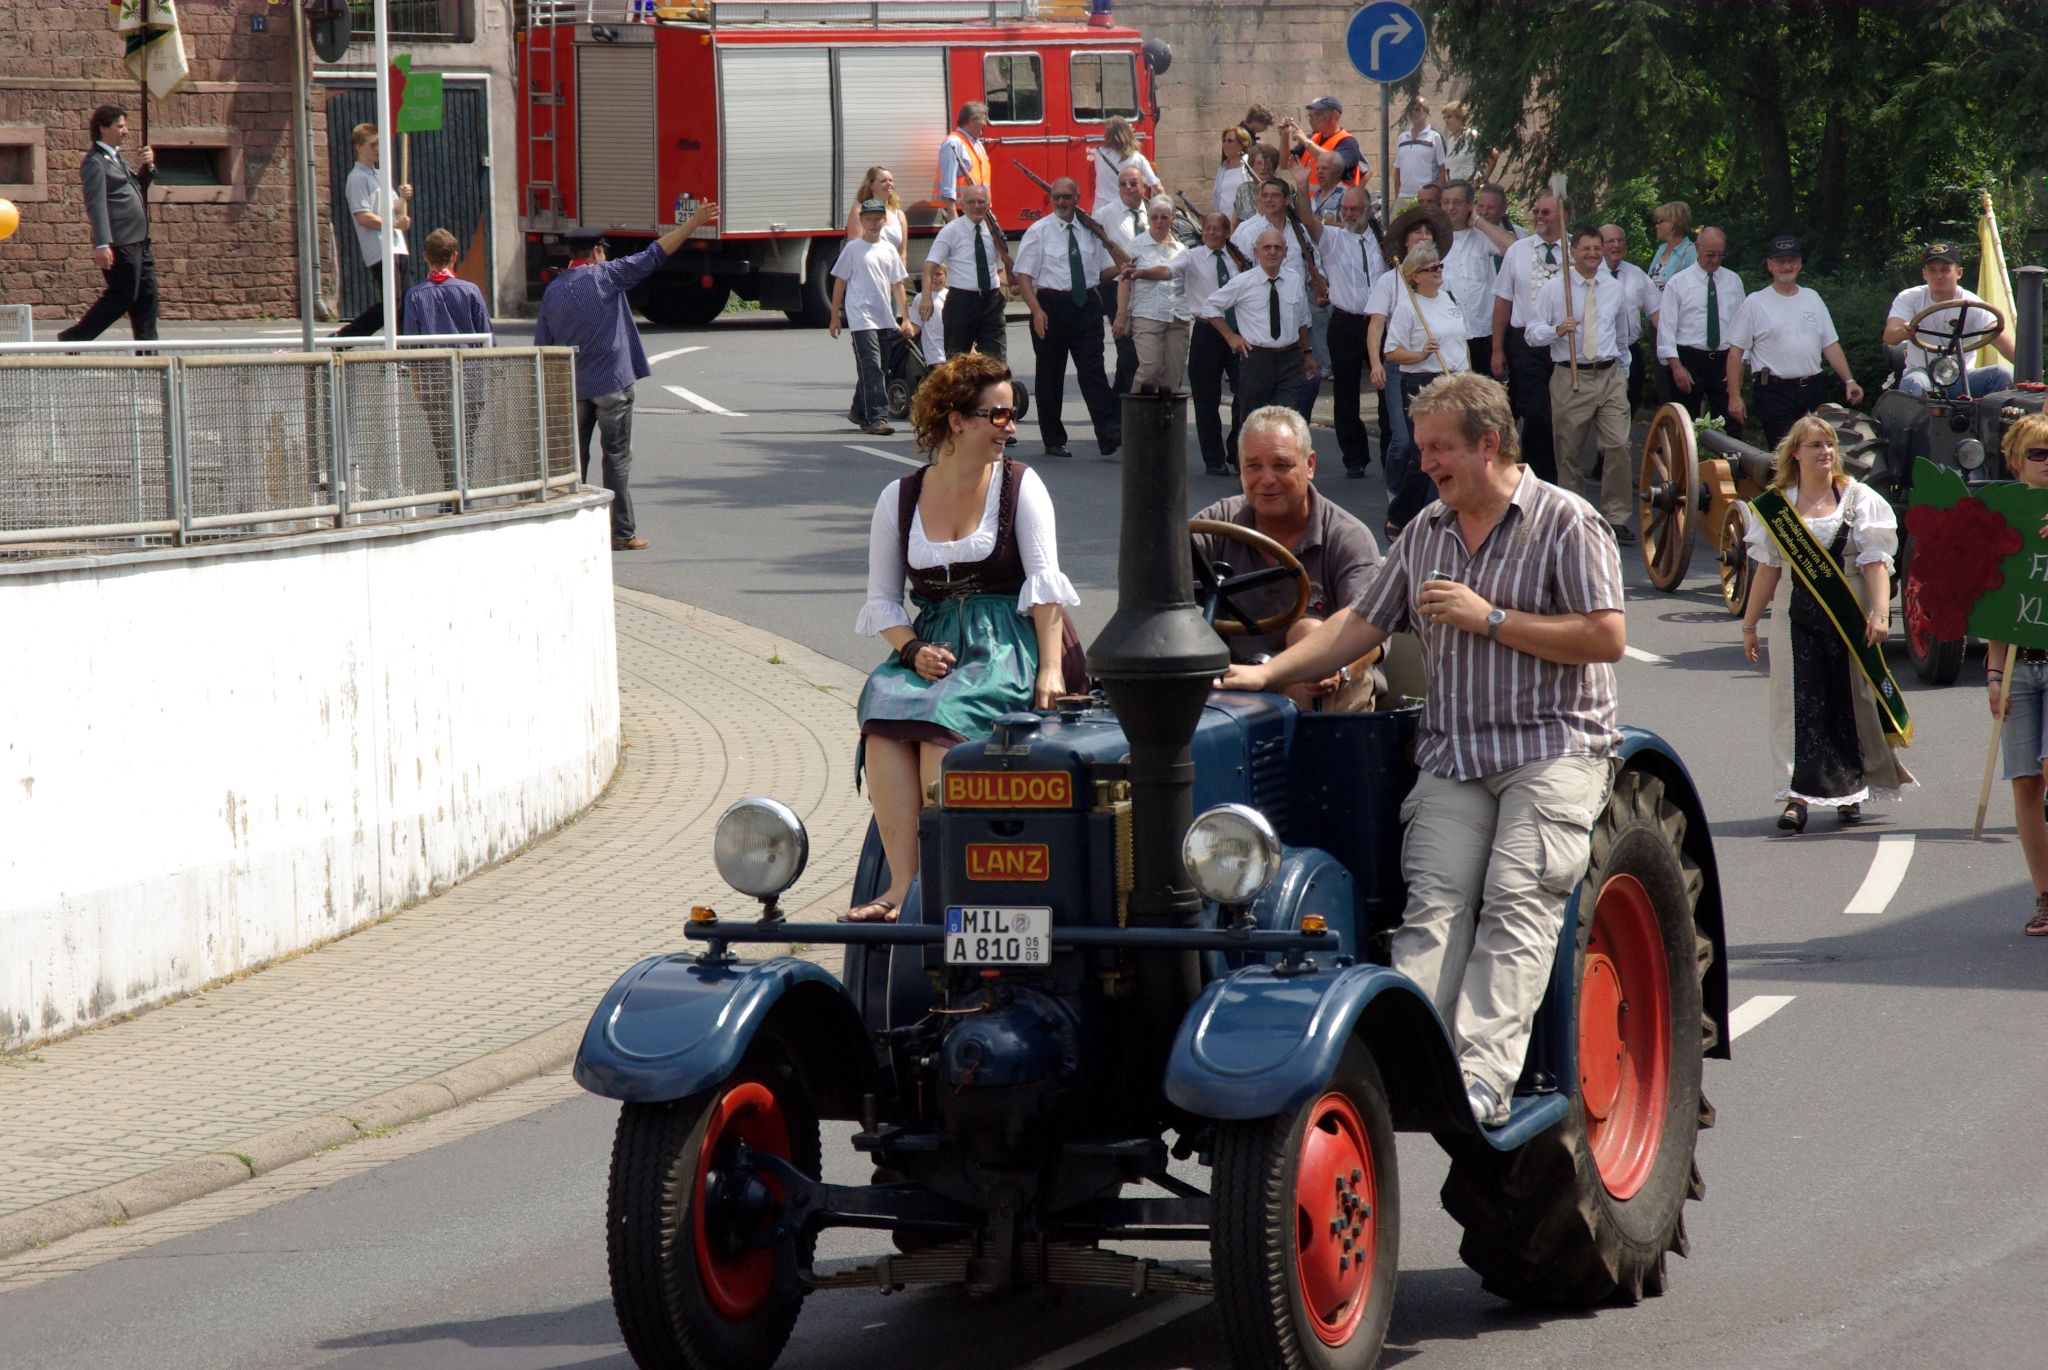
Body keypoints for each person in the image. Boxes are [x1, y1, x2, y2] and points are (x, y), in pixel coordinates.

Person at [1220, 371, 1624, 1127]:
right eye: (1424, 449)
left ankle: (1479, 1080)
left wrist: (1491, 618)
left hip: (1553, 749)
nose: (1425, 463)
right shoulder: (1427, 533)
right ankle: (1406, 1075)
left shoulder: (1567, 522)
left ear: (1488, 444)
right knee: (1431, 907)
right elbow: (1360, 624)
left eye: (1439, 449)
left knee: (1515, 900)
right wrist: (1267, 673)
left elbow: (1607, 636)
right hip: (1455, 754)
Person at [850, 353, 1081, 922]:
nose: (1011, 427)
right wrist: (911, 650)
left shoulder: (1022, 485)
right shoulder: (898, 498)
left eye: (1012, 414)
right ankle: (902, 886)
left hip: (1010, 640)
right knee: (880, 714)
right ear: (956, 420)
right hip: (932, 644)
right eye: (998, 415)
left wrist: (1051, 670)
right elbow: (882, 603)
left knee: (940, 725)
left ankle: (939, 883)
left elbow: (1045, 587)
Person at [1738, 415, 1913, 833]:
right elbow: (1767, 569)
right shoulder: (1777, 506)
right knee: (1795, 702)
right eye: (1816, 445)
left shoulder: (1858, 499)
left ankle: (1851, 790)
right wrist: (1748, 625)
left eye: (1830, 444)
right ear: (1795, 452)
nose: (1826, 452)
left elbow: (1875, 561)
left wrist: (1879, 611)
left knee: (1850, 699)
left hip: (1846, 611)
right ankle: (1796, 795)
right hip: (1792, 615)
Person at [532, 202, 720, 552]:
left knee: (574, 460)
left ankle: (566, 527)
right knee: (615, 456)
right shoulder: (608, 275)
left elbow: (543, 345)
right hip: (612, 384)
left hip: (574, 387)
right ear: (597, 251)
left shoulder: (554, 291)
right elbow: (654, 254)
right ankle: (621, 533)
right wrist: (693, 222)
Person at [1193, 405, 1382, 710]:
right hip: (1237, 677)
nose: (1267, 479)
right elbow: (1160, 576)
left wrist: (1341, 671)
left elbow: (1370, 631)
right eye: (1253, 466)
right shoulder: (1217, 524)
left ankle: (1304, 753)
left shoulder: (1347, 537)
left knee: (1309, 632)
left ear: (1309, 465)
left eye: (1281, 465)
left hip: (1321, 686)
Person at [1526, 226, 1639, 543]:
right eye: (1585, 249)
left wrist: (1624, 373)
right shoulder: (1554, 289)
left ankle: (1616, 517)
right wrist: (1557, 330)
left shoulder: (1614, 288)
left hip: (1609, 374)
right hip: (1570, 374)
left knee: (1618, 444)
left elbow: (1623, 335)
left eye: (1596, 249)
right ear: (1572, 252)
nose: (1592, 254)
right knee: (1569, 453)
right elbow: (1531, 332)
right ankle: (1572, 516)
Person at [1012, 176, 1132, 458]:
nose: (1062, 202)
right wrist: (1036, 310)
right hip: (1051, 305)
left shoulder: (1090, 231)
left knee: (1093, 370)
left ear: (1077, 198)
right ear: (1051, 199)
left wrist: (1121, 262)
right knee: (1050, 374)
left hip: (1087, 304)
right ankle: (1053, 439)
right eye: (1057, 197)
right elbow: (1024, 276)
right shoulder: (1039, 231)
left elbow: (1100, 272)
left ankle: (1107, 432)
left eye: (1067, 197)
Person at [1984, 414, 2048, 934]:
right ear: (2015, 461)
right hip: (2018, 667)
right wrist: (1992, 672)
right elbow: (1999, 603)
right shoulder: (2002, 516)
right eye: (2040, 455)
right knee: (2025, 783)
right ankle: (2045, 898)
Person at [1726, 236, 1864, 449]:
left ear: (1799, 264)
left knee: (1818, 450)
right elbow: (1735, 352)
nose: (1786, 266)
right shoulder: (1755, 302)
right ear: (1770, 265)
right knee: (1787, 454)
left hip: (1812, 389)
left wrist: (1849, 380)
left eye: (1791, 260)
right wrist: (1734, 397)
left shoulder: (1813, 297)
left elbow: (1830, 344)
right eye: (1780, 261)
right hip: (1774, 391)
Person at [1368, 206, 1455, 534]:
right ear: (1405, 243)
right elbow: (1377, 327)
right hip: (1402, 368)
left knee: (1437, 446)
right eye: (1416, 233)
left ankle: (1434, 507)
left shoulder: (1446, 290)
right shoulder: (1390, 282)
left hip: (1441, 375)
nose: (1422, 237)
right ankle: (1397, 491)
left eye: (1427, 233)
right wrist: (1376, 363)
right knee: (1404, 441)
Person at [1299, 182, 1388, 479]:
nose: (1349, 214)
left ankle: (1391, 455)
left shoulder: (1384, 239)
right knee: (1345, 391)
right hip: (1347, 322)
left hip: (1381, 321)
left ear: (1368, 211)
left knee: (1387, 390)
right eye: (1345, 209)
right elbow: (1307, 221)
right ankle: (1355, 457)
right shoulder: (1334, 239)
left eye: (1354, 209)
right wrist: (1301, 184)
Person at [1381, 244, 1470, 531]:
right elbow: (1392, 352)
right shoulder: (1409, 307)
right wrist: (1420, 354)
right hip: (1423, 382)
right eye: (1432, 268)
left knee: (1453, 450)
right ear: (1415, 276)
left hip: (1454, 380)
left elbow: (1461, 342)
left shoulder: (1449, 298)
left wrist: (1468, 378)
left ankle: (1443, 511)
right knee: (1425, 456)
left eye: (1440, 266)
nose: (1438, 271)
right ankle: (1402, 514)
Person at [400, 228, 492, 497]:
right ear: (455, 256)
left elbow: (411, 346)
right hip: (471, 380)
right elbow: (486, 337)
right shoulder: (470, 291)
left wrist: (417, 383)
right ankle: (463, 490)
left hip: (434, 382)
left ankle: (451, 489)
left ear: (425, 257)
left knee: (442, 439)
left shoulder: (415, 295)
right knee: (466, 439)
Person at [58, 104, 158, 344]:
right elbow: (96, 203)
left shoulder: (115, 158)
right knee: (123, 295)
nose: (125, 131)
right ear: (103, 128)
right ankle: (75, 337)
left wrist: (149, 167)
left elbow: (137, 186)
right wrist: (102, 242)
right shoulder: (95, 162)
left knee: (147, 295)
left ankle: (149, 352)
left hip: (139, 238)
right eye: (120, 126)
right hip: (120, 240)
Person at [1200, 227, 1318, 418]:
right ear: (1257, 252)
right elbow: (1210, 307)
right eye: (1267, 248)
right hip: (1257, 360)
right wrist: (1231, 337)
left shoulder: (1294, 280)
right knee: (1253, 420)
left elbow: (1302, 320)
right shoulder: (1243, 282)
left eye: (1278, 248)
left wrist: (1307, 354)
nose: (1272, 252)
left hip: (1290, 358)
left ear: (1285, 252)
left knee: (1287, 420)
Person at [1490, 190, 1564, 481]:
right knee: (1535, 410)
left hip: (1561, 342)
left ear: (1563, 216)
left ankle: (1557, 476)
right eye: (1536, 211)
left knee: (1559, 413)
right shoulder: (1517, 251)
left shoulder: (1575, 251)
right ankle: (1536, 476)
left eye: (1546, 212)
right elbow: (1502, 301)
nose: (1538, 217)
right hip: (1524, 342)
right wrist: (1498, 349)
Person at [1169, 213, 1252, 476]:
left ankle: (1235, 449)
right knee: (1206, 399)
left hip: (1238, 330)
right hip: (1206, 333)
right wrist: (1148, 272)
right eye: (1207, 229)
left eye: (1217, 229)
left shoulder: (1239, 258)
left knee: (1245, 394)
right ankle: (1213, 458)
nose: (1211, 233)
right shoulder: (1191, 256)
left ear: (1228, 233)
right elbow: (1170, 268)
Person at [1884, 241, 2016, 398]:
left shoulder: (1973, 304)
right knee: (1915, 382)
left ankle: (1992, 422)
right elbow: (1889, 337)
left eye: (1945, 270)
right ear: (1924, 274)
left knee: (2002, 374)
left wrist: (2030, 368)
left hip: (1961, 377)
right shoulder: (1909, 298)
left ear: (1959, 273)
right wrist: (1903, 331)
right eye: (1932, 270)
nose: (1938, 276)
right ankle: (1925, 422)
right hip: (1922, 373)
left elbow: (2000, 339)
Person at [831, 198, 912, 437]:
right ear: (862, 221)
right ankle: (877, 417)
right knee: (872, 366)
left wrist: (905, 319)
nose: (873, 223)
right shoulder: (853, 248)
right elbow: (840, 282)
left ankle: (858, 411)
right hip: (860, 317)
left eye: (878, 218)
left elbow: (897, 284)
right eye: (869, 219)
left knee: (879, 368)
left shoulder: (888, 249)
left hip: (884, 317)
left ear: (884, 221)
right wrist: (835, 316)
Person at [335, 123, 414, 338]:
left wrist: (403, 197)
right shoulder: (357, 178)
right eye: (373, 144)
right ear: (359, 147)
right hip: (380, 248)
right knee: (392, 303)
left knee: (404, 302)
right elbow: (363, 217)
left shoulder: (379, 174)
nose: (378, 149)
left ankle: (402, 349)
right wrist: (393, 224)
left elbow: (393, 208)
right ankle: (345, 337)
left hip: (397, 246)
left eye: (379, 144)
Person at [1656, 226, 1740, 422]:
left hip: (1724, 360)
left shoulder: (1733, 281)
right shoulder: (1678, 283)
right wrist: (1676, 367)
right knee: (1685, 424)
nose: (1715, 260)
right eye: (1710, 254)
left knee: (1729, 423)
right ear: (1697, 248)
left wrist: (1738, 367)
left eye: (1720, 255)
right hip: (1689, 358)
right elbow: (1666, 331)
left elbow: (1741, 327)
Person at [923, 182, 1011, 360]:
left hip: (991, 302)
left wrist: (1006, 289)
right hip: (961, 302)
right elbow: (930, 266)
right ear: (962, 206)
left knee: (996, 361)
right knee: (957, 363)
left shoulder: (994, 230)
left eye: (981, 202)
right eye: (971, 202)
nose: (976, 206)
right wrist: (926, 298)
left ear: (988, 204)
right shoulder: (951, 231)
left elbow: (1001, 266)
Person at [1114, 197, 1190, 393]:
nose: (1159, 222)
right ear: (1148, 218)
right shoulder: (1135, 246)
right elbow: (1124, 281)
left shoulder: (1182, 249)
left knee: (1174, 376)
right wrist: (1121, 315)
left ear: (1172, 219)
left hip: (1177, 316)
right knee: (1150, 370)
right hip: (1147, 315)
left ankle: (1166, 420)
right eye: (1154, 217)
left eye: (1164, 217)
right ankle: (1138, 417)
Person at [1442, 183, 1501, 380]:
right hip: (1447, 334)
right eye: (1446, 202)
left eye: (1456, 202)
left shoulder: (1482, 237)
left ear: (1469, 205)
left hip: (1481, 331)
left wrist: (1478, 221)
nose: (1450, 208)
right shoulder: (1433, 239)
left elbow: (1513, 248)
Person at [1101, 165, 1151, 396]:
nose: (1128, 188)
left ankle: (1117, 401)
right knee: (1129, 350)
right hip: (1118, 288)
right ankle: (1136, 406)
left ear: (1143, 186)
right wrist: (1120, 267)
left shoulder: (1153, 212)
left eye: (1134, 183)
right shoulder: (1104, 215)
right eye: (1123, 184)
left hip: (1149, 288)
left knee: (1137, 351)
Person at [1599, 223, 1658, 416]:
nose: (1616, 245)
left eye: (1620, 240)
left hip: (1630, 351)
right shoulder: (1590, 275)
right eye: (1610, 241)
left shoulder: (1636, 274)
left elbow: (1657, 313)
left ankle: (1617, 444)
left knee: (1628, 405)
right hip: (1600, 354)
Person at [1278, 96, 1364, 193]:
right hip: (1309, 204)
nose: (1311, 119)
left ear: (1335, 115)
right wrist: (1284, 137)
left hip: (1336, 205)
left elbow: (1334, 164)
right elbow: (1285, 164)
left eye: (1317, 114)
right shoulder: (1312, 139)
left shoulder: (1348, 142)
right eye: (1310, 116)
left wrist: (1306, 142)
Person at [1089, 115, 1161, 218]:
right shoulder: (1137, 159)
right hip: (1125, 217)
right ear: (1128, 133)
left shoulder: (1098, 154)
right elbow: (1157, 188)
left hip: (1100, 215)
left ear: (1107, 135)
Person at [935, 102, 991, 220]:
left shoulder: (977, 144)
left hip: (977, 209)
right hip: (962, 211)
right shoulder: (954, 143)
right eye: (983, 119)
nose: (985, 124)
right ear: (972, 120)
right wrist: (952, 213)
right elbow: (947, 183)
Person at [845, 166, 909, 269]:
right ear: (871, 186)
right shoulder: (860, 211)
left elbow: (902, 253)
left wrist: (900, 279)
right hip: (868, 273)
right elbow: (854, 249)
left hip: (892, 276)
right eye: (883, 181)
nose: (889, 184)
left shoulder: (899, 215)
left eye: (891, 180)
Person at [1390, 95, 1447, 208]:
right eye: (1410, 109)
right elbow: (1397, 171)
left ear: (1426, 112)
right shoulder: (1402, 137)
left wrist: (1436, 196)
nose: (1413, 113)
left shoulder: (1434, 137)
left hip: (1424, 198)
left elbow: (1442, 171)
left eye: (1417, 109)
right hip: (1403, 197)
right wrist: (1398, 196)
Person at [1646, 202, 1697, 295]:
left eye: (1659, 221)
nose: (1656, 226)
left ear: (1672, 224)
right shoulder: (1661, 250)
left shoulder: (1691, 252)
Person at [1441, 101, 1495, 186]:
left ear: (1460, 117)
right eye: (1444, 118)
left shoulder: (1472, 135)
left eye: (1449, 117)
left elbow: (1493, 154)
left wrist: (1481, 181)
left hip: (1469, 189)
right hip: (1454, 189)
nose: (1446, 120)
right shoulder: (1450, 141)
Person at [1231, 142, 1285, 226]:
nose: (1263, 167)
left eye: (1268, 163)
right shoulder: (1244, 189)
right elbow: (1235, 221)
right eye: (1259, 163)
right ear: (1252, 166)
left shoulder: (1283, 188)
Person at [908, 261, 949, 370]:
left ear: (946, 276)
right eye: (931, 274)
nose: (934, 277)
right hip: (935, 353)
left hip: (952, 349)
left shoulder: (951, 296)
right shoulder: (920, 298)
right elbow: (916, 326)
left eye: (938, 274)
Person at [1213, 124, 1254, 219]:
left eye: (1230, 141)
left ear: (1242, 144)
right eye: (1224, 141)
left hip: (1246, 221)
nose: (1225, 144)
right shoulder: (1221, 169)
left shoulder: (1250, 164)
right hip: (1225, 224)